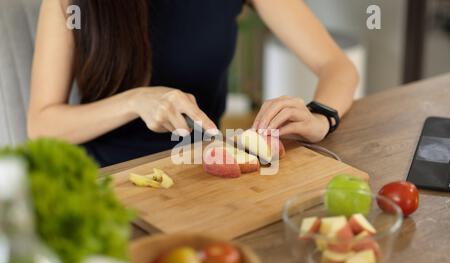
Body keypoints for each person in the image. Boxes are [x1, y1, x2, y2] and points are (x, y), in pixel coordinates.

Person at [28, 0, 358, 167]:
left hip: (203, 169)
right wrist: (134, 102)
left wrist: (320, 116)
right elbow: (42, 124)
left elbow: (337, 65)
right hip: (109, 179)